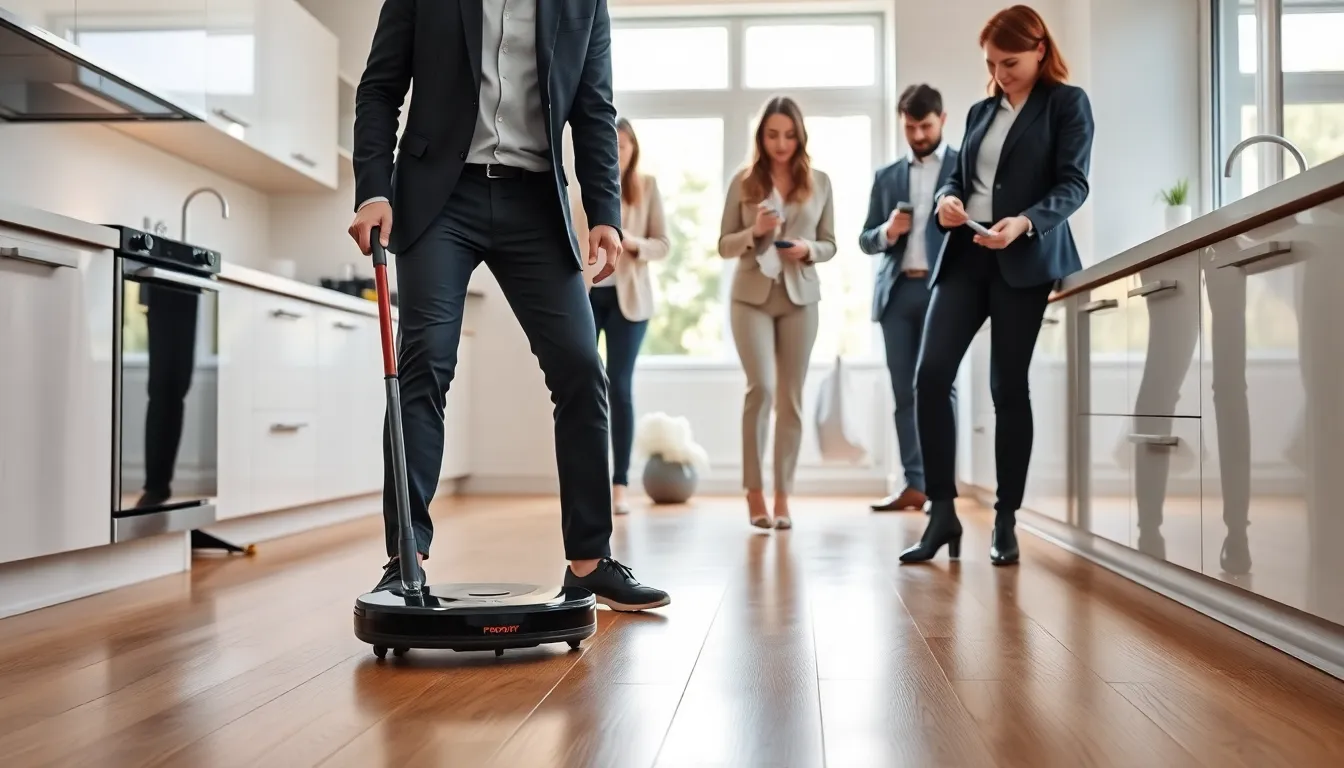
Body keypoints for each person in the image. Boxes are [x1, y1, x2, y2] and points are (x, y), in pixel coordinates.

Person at [347, 0, 670, 611]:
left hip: (536, 204)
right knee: (427, 365)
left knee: (580, 367)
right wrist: (373, 191)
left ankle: (590, 561)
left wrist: (606, 214)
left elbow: (594, 109)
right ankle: (405, 561)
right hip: (441, 199)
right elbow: (380, 87)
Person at [901, 4, 1094, 565]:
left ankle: (1005, 519)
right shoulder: (980, 111)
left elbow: (1073, 184)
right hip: (967, 257)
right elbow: (956, 179)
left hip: (1024, 258)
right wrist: (946, 203)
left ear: (1039, 49)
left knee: (1007, 387)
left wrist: (1027, 221)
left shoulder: (1067, 104)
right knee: (931, 377)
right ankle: (941, 514)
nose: (1000, 72)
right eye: (991, 62)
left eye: (1009, 61)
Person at [718, 96, 837, 530]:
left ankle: (783, 494)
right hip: (750, 296)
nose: (781, 143)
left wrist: (808, 250)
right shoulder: (744, 181)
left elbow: (830, 243)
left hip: (800, 297)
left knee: (791, 399)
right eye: (773, 134)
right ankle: (754, 494)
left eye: (789, 135)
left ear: (800, 135)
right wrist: (756, 231)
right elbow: (723, 245)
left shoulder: (820, 182)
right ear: (761, 137)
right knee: (762, 389)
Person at [859, 84, 958, 514]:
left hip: (945, 290)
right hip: (898, 293)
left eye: (926, 125)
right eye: (910, 127)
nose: (918, 134)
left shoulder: (963, 168)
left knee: (940, 388)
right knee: (904, 393)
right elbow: (865, 238)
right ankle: (915, 484)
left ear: (942, 120)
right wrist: (887, 232)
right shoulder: (886, 177)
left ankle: (942, 489)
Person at [588, 117, 669, 515]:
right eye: (611, 144)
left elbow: (663, 245)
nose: (617, 151)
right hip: (586, 296)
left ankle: (619, 484)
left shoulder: (647, 187)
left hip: (630, 302)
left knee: (618, 386)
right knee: (586, 388)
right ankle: (588, 484)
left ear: (633, 150)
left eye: (623, 145)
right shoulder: (583, 183)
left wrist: (631, 242)